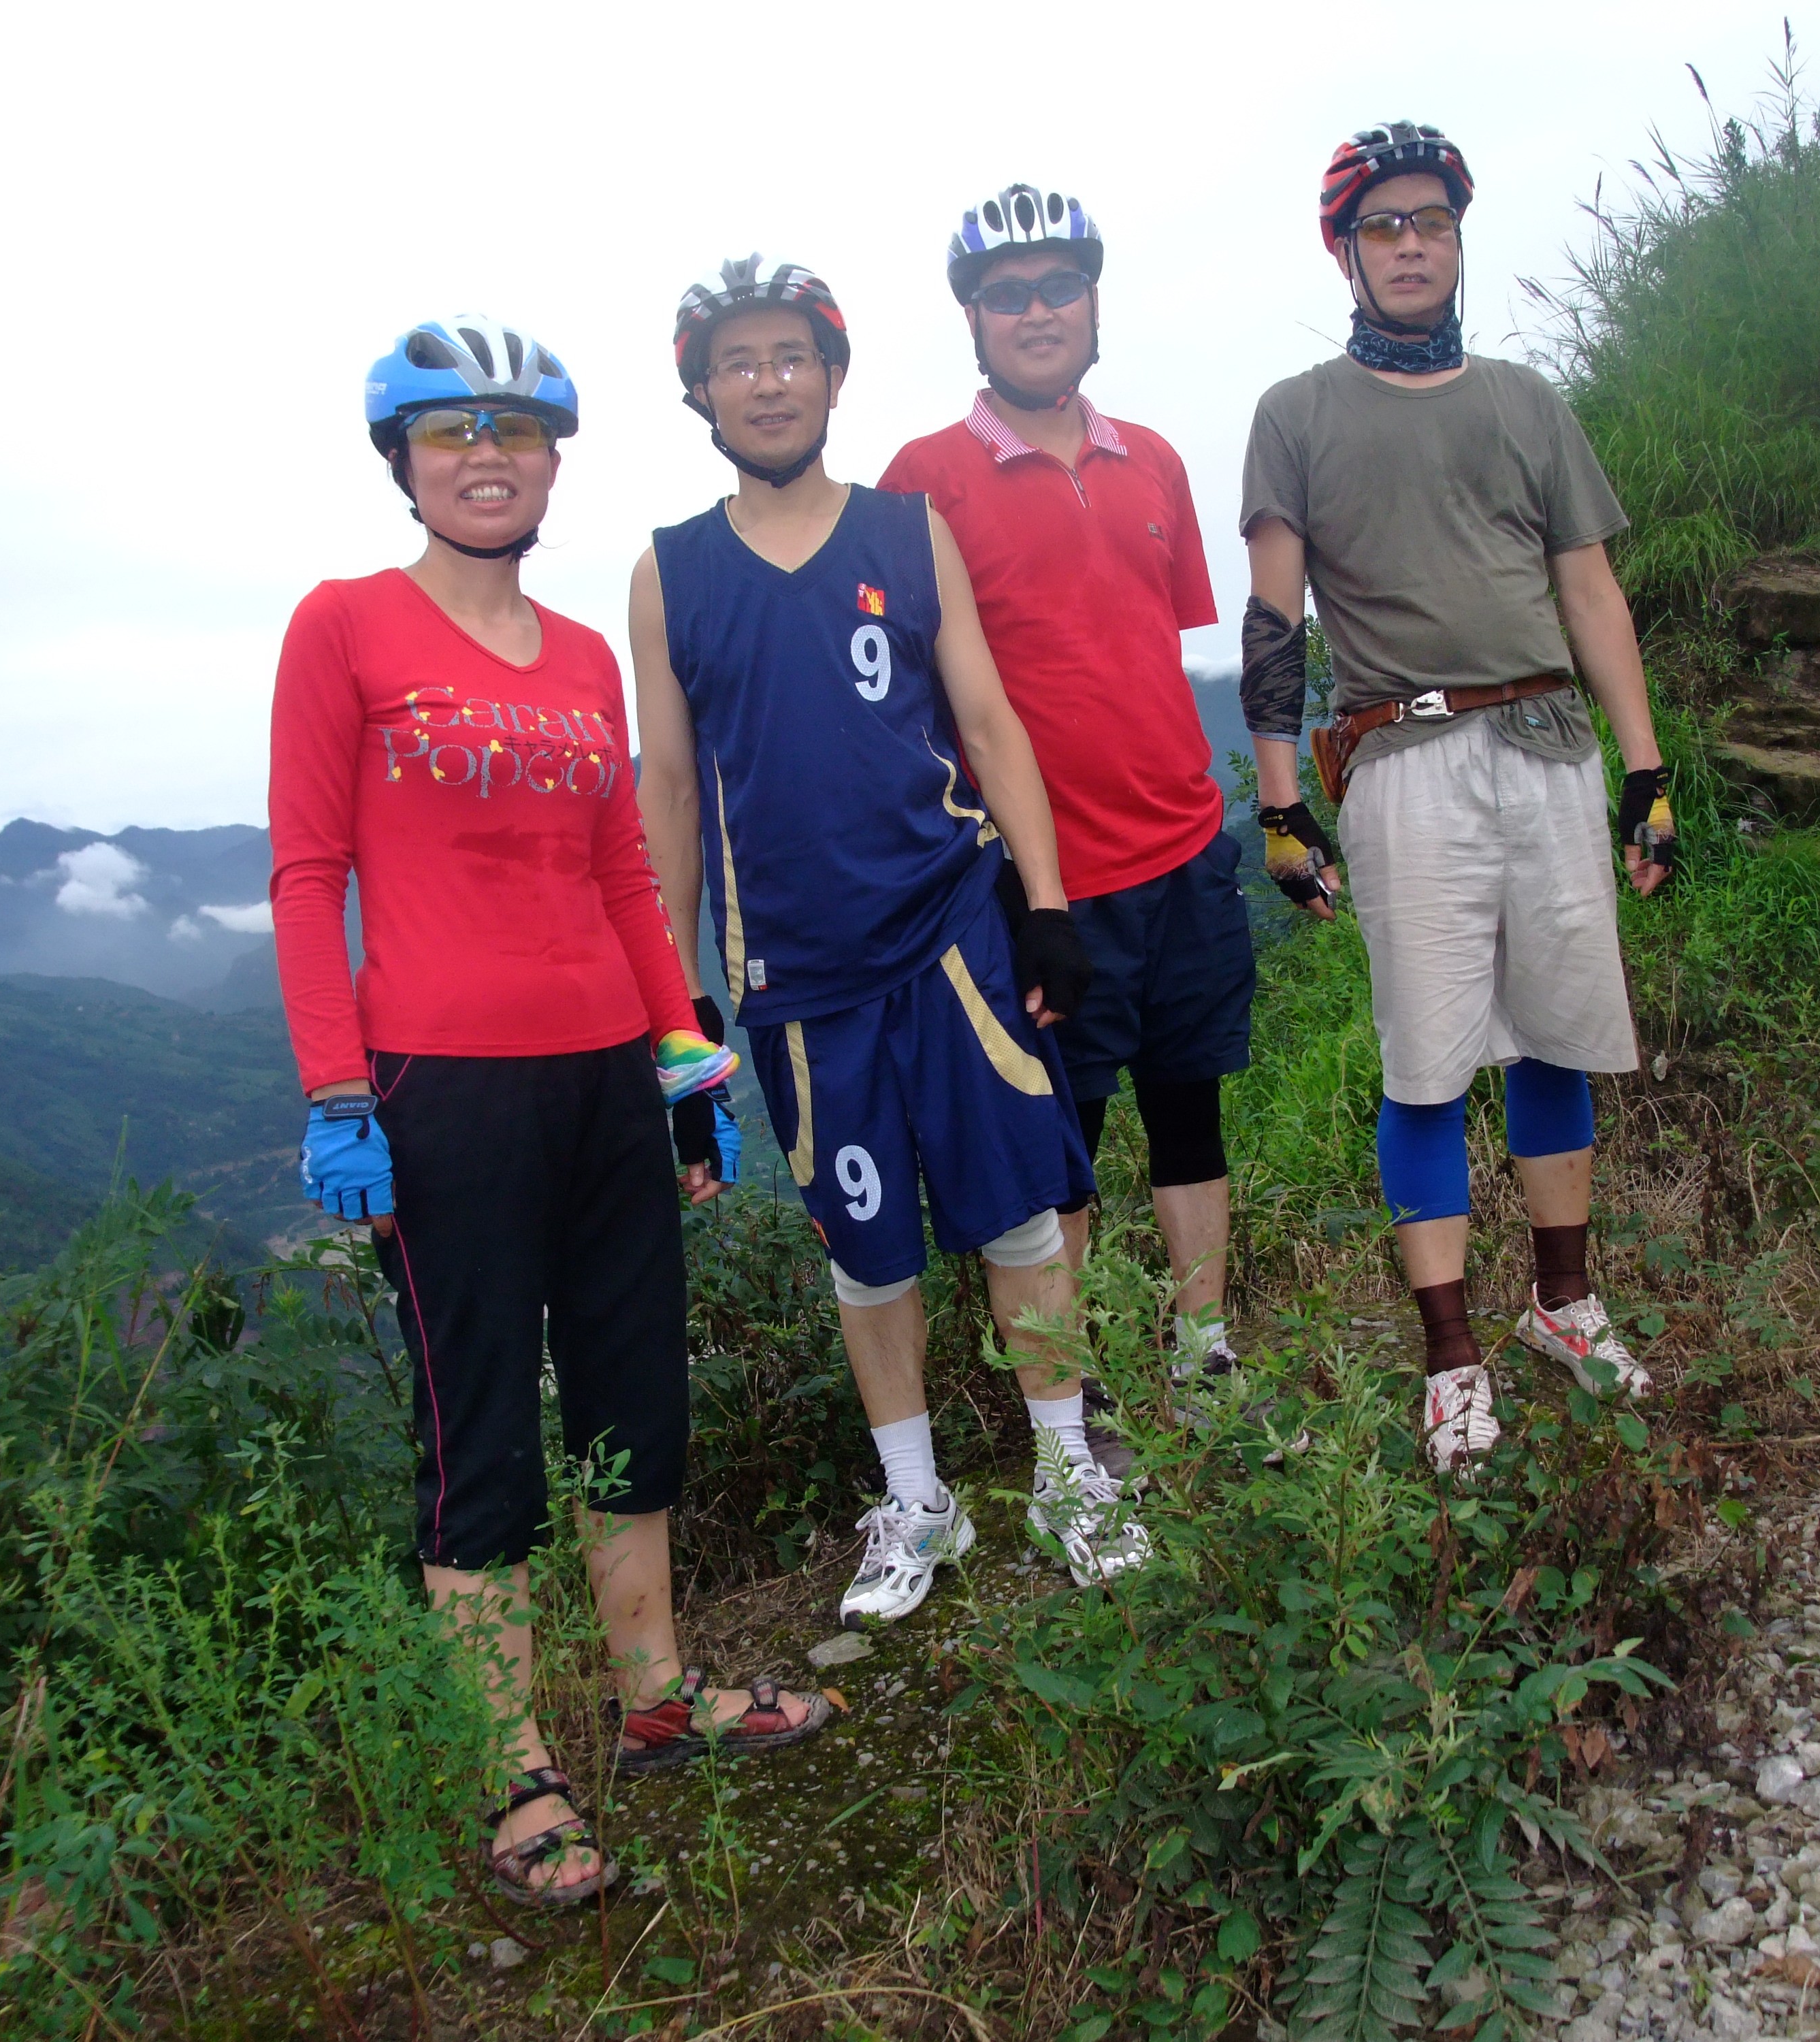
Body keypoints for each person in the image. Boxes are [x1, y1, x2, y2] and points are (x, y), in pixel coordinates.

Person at [272, 315, 827, 1911]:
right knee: (483, 1437)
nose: (486, 457)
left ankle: (653, 1698)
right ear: (402, 459)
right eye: (449, 433)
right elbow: (310, 877)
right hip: (438, 1089)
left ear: (553, 458)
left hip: (602, 1073)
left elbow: (619, 874)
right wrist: (333, 1091)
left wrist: (680, 1058)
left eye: (513, 432)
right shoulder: (346, 629)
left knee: (633, 1393)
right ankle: (513, 1772)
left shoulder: (585, 654)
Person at [630, 258, 1151, 1629]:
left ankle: (1064, 1474)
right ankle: (917, 1499)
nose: (766, 380)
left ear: (832, 372)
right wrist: (674, 995)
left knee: (1023, 1217)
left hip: (947, 940)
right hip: (793, 978)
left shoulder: (907, 530)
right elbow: (671, 790)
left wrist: (1044, 906)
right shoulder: (669, 571)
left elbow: (986, 724)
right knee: (867, 1254)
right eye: (735, 361)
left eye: (789, 354)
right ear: (700, 390)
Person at [1236, 125, 1678, 1473]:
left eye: (1430, 221)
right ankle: (1447, 1360)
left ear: (1456, 235)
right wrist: (1275, 802)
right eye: (1385, 228)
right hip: (1401, 757)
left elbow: (1587, 590)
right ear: (1345, 252)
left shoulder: (1526, 403)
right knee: (1424, 1063)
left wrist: (1645, 770)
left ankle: (1564, 1306)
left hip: (1546, 744)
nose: (1412, 245)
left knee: (1558, 1036)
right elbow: (1271, 621)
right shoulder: (1296, 414)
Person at [879, 184, 1259, 1442]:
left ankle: (1205, 1353)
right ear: (974, 322)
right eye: (1008, 296)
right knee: (1068, 1142)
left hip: (1186, 840)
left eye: (1058, 287)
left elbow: (1156, 646)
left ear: (1094, 302)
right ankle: (1074, 1391)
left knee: (1190, 1106)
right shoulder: (923, 480)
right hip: (1046, 880)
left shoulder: (1153, 457)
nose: (1036, 312)